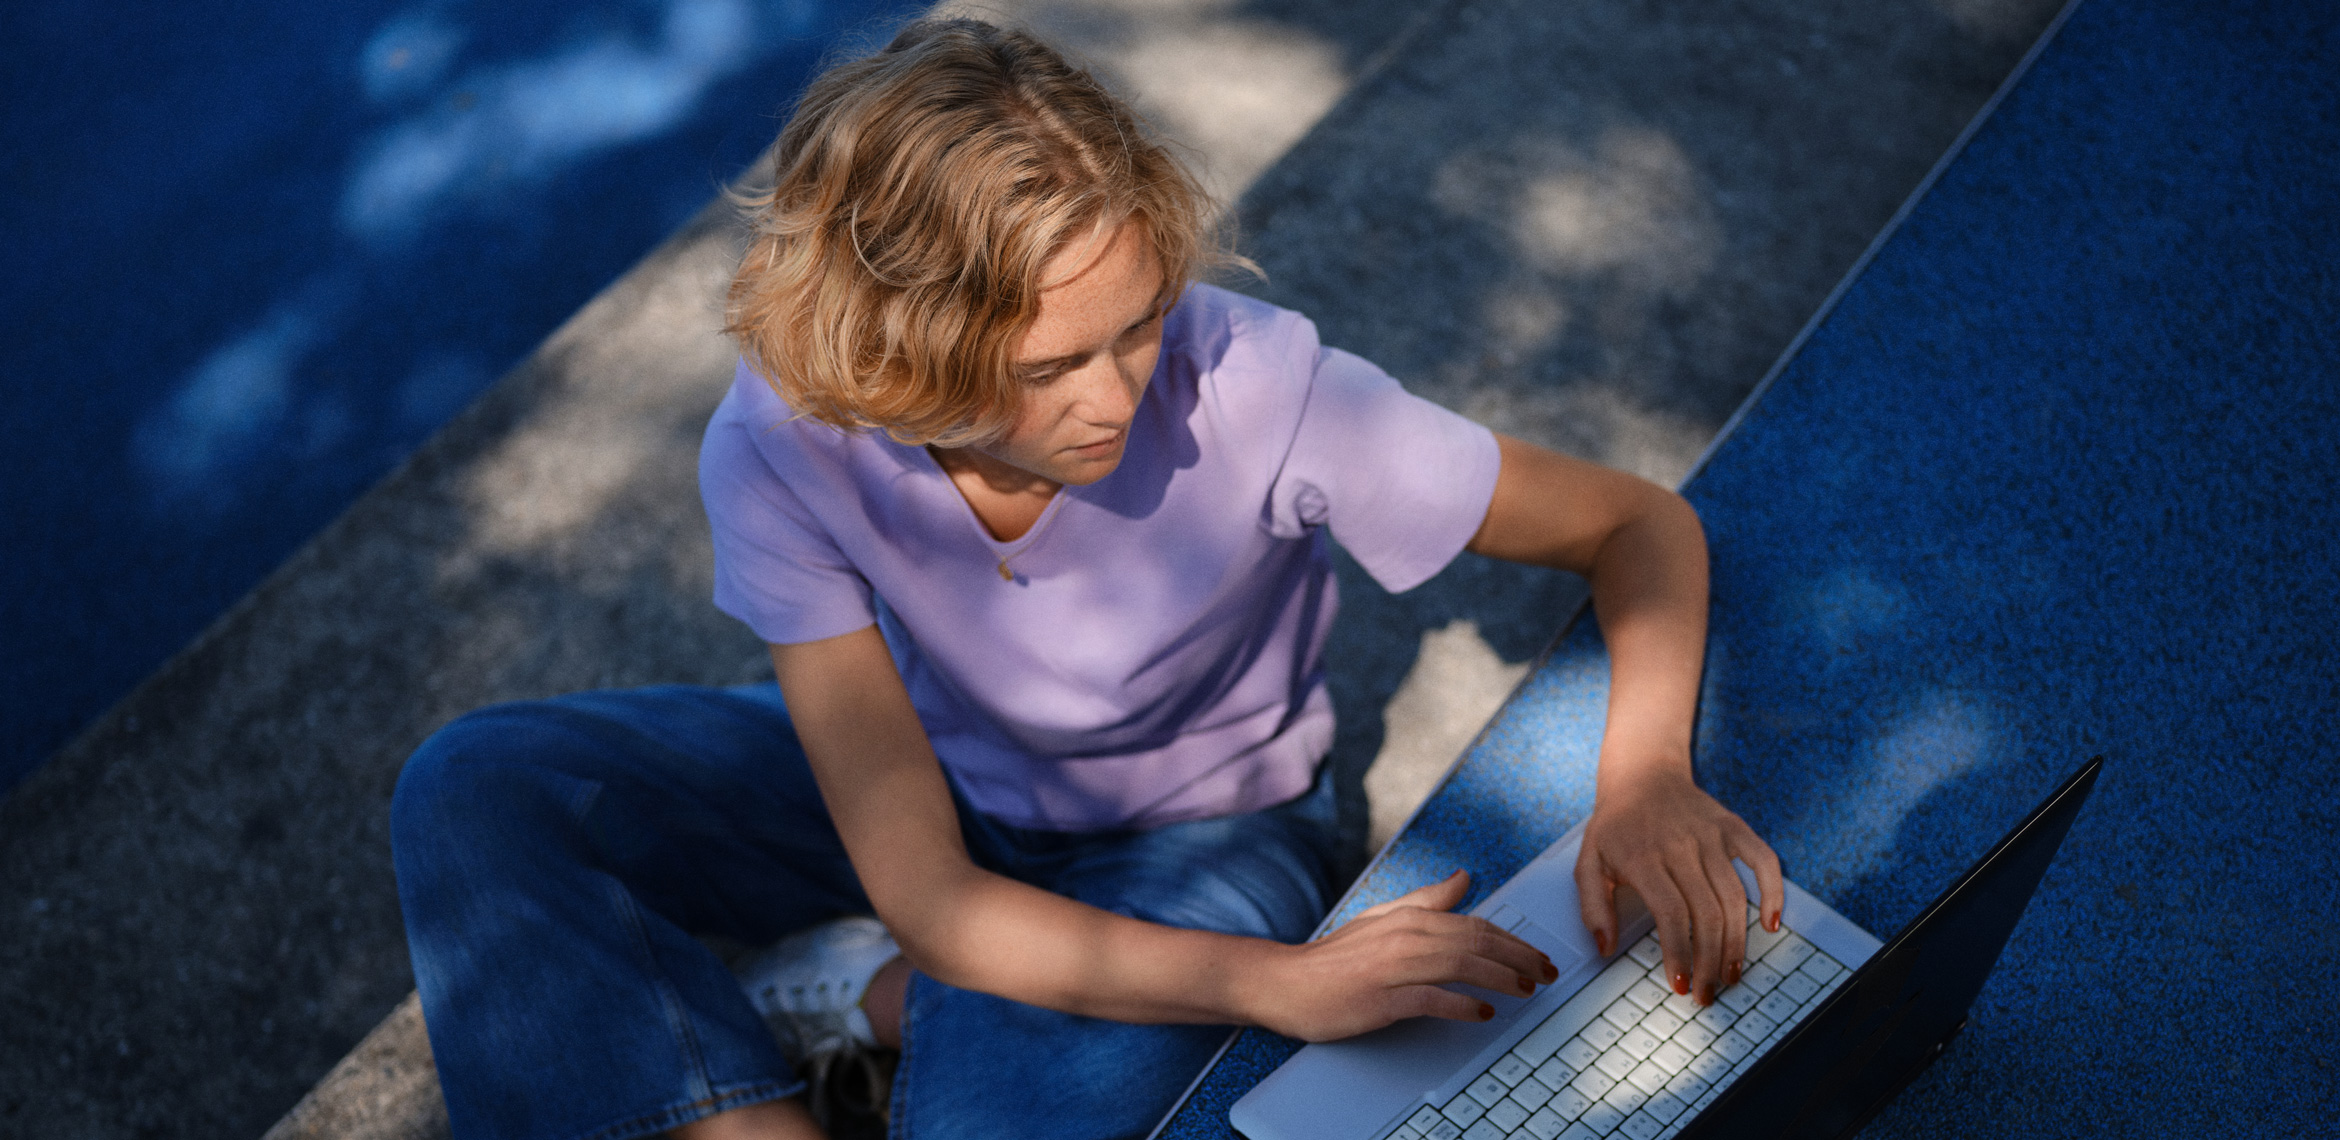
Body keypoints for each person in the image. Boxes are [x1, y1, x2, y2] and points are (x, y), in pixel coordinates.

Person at [389, 17, 1783, 1140]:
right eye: (1050, 367)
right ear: (896, 359)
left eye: (1138, 323)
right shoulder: (783, 441)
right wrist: (1278, 989)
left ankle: (870, 1005)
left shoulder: (1256, 384)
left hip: (1202, 836)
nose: (1117, 395)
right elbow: (934, 887)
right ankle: (845, 1031)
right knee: (481, 790)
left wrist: (1646, 773)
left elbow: (1635, 527)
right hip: (941, 802)